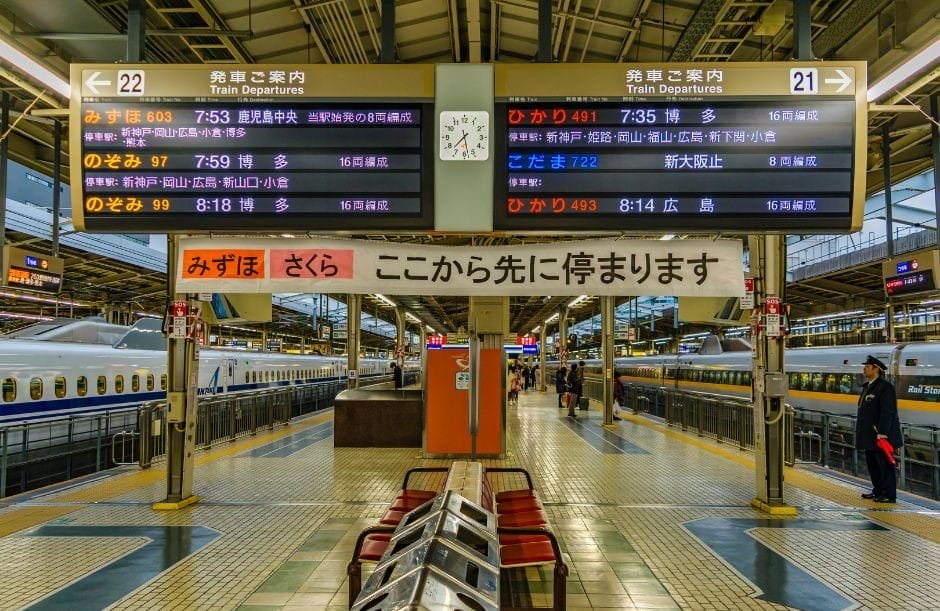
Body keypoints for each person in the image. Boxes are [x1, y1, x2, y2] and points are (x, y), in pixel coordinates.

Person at [855, 355, 903, 503]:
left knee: (884, 465)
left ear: (876, 369)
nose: (864, 368)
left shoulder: (885, 388)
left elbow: (887, 412)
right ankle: (878, 490)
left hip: (881, 436)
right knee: (873, 465)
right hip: (870, 435)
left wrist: (882, 432)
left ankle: (889, 494)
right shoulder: (868, 386)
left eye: (868, 367)